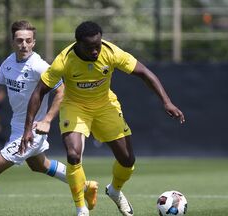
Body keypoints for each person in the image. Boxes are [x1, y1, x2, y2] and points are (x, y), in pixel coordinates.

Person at [21, 21, 185, 216]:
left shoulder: (111, 52)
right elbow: (39, 91)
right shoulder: (64, 60)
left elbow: (144, 73)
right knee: (73, 155)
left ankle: (114, 190)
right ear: (78, 44)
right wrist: (27, 129)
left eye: (97, 46)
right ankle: (81, 209)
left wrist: (166, 102)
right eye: (90, 47)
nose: (95, 51)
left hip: (105, 106)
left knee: (127, 160)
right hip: (75, 107)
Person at [0, 20, 98, 216]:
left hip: (32, 131)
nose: (24, 45)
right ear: (13, 41)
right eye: (20, 40)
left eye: (28, 41)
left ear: (34, 42)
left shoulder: (40, 66)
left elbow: (62, 91)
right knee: (40, 165)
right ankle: (86, 186)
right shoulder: (8, 63)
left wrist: (46, 120)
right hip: (17, 127)